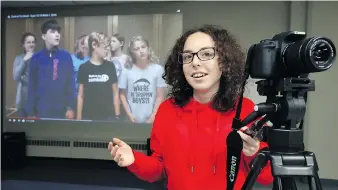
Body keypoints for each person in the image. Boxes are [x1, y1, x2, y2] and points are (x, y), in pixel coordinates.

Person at [108, 25, 274, 190]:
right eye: (187, 57)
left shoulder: (245, 109)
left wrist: (253, 152)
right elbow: (158, 170)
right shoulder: (167, 110)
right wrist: (134, 160)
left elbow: (267, 177)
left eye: (206, 54)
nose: (195, 62)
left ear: (224, 62)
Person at [25, 19, 76, 119]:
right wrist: (31, 112)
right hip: (42, 109)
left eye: (58, 32)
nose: (57, 35)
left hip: (62, 110)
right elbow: (32, 85)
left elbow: (71, 83)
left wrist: (71, 107)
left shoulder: (66, 56)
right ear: (44, 36)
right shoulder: (36, 58)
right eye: (52, 32)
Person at [118, 36, 166, 123]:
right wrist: (129, 114)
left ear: (148, 48)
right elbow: (122, 95)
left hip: (152, 119)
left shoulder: (158, 70)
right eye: (136, 49)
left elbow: (160, 96)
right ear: (132, 53)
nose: (141, 51)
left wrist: (153, 116)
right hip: (132, 120)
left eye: (143, 47)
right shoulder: (126, 71)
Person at [76, 32, 120, 121]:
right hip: (88, 116)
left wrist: (117, 116)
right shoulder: (83, 67)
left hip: (108, 117)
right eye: (105, 47)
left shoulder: (110, 66)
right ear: (94, 45)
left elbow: (115, 94)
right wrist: (79, 118)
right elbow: (80, 95)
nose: (108, 50)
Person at [13, 32, 36, 117]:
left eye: (33, 42)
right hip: (22, 99)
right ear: (23, 44)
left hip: (36, 99)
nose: (31, 44)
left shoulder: (39, 58)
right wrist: (24, 60)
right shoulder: (19, 58)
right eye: (28, 42)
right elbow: (15, 76)